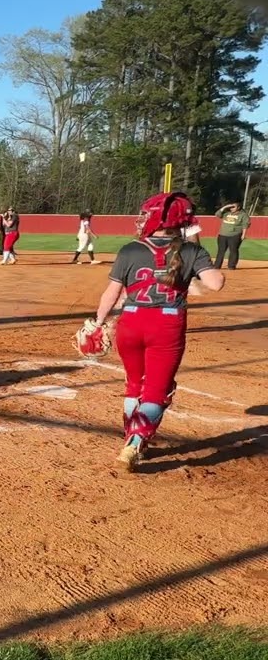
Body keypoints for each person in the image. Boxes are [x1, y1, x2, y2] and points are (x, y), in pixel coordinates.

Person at [87, 192, 224, 471]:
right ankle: (135, 443)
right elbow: (215, 283)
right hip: (167, 326)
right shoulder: (191, 250)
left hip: (131, 323)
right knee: (157, 391)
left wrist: (98, 323)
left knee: (134, 384)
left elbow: (111, 294)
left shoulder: (130, 249)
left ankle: (131, 436)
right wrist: (195, 244)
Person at [214, 202, 250, 270]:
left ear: (238, 207)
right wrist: (224, 207)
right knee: (221, 251)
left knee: (233, 250)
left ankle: (231, 266)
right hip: (223, 235)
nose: (231, 208)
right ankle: (217, 265)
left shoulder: (243, 215)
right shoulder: (226, 213)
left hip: (235, 235)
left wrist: (243, 235)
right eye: (230, 207)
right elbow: (217, 214)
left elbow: (245, 225)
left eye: (233, 207)